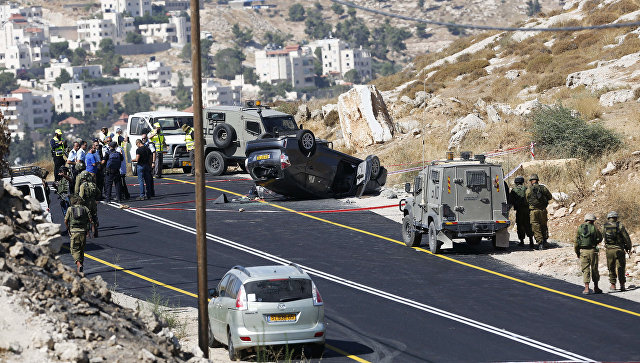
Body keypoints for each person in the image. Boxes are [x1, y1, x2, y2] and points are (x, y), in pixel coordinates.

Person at [603, 211, 633, 292]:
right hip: (619, 249)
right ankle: (622, 285)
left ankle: (613, 285)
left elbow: (604, 237)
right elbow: (626, 237)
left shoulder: (604, 226)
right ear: (616, 218)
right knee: (621, 267)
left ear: (609, 218)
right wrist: (628, 247)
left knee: (611, 267)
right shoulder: (620, 225)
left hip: (609, 250)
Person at [64, 195, 94, 274]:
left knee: (74, 250)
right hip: (83, 232)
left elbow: (65, 221)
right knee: (81, 250)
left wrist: (68, 229)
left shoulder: (70, 209)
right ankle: (80, 269)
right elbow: (90, 220)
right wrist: (90, 230)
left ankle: (78, 264)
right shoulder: (85, 208)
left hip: (74, 232)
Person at [575, 213, 603, 295]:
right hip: (593, 251)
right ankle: (596, 287)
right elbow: (600, 238)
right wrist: (595, 242)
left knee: (585, 269)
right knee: (594, 269)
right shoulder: (594, 228)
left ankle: (586, 288)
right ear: (593, 220)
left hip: (583, 251)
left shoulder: (580, 228)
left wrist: (577, 252)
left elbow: (576, 242)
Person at [525, 174, 553, 250]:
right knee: (543, 225)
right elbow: (550, 197)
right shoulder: (543, 188)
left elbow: (527, 200)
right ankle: (545, 241)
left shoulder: (528, 190)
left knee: (536, 227)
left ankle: (540, 243)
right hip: (543, 210)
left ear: (532, 181)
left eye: (531, 181)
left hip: (534, 211)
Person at [509, 176, 534, 248]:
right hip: (526, 210)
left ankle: (522, 241)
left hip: (519, 210)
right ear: (522, 182)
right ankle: (531, 241)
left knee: (520, 225)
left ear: (516, 182)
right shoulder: (526, 189)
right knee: (528, 224)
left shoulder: (514, 190)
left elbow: (511, 201)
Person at [79, 171, 100, 237]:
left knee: (86, 217)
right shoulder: (93, 184)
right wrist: (96, 199)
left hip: (86, 203)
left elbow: (81, 196)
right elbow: (99, 192)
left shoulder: (82, 185)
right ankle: (95, 230)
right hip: (93, 202)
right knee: (94, 216)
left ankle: (87, 233)